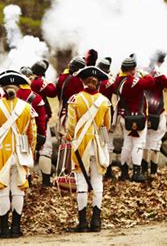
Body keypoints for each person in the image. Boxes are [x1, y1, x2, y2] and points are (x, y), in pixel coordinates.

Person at [0, 70, 37, 238]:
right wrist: (30, 152)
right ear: (18, 88)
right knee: (19, 189)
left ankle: (4, 228)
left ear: (4, 88)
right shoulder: (27, 107)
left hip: (1, 152)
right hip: (22, 150)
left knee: (3, 190)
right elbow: (32, 133)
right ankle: (16, 228)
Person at [65, 66, 111, 232]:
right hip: (98, 145)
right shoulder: (105, 101)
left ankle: (83, 223)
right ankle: (96, 222)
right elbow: (107, 126)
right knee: (98, 183)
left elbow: (70, 127)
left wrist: (70, 137)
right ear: (97, 82)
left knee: (82, 184)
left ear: (83, 81)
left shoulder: (74, 100)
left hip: (81, 146)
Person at [112, 54, 154, 182]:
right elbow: (151, 82)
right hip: (136, 117)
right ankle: (136, 172)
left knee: (127, 144)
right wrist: (143, 73)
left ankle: (124, 172)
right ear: (131, 69)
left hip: (124, 116)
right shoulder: (132, 81)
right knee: (138, 144)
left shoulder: (118, 80)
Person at [142, 51, 167, 177]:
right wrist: (162, 76)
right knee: (155, 143)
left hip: (143, 112)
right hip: (157, 113)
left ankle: (144, 170)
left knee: (145, 142)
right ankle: (153, 173)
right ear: (160, 62)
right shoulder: (159, 75)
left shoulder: (143, 70)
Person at [19, 66, 47, 185]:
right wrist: (42, 136)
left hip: (10, 135)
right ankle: (25, 184)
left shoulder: (8, 96)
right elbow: (41, 121)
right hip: (27, 136)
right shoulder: (37, 98)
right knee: (26, 161)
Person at [30, 60, 57, 186]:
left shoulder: (26, 83)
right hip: (40, 118)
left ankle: (27, 180)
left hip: (26, 119)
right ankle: (46, 180)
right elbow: (53, 91)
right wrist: (46, 81)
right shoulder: (38, 82)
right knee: (46, 149)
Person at [56, 56, 86, 139]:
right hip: (79, 113)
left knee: (65, 140)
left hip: (64, 112)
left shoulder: (61, 78)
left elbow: (59, 96)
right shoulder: (82, 81)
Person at [97, 57, 116, 179]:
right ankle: (107, 170)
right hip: (106, 115)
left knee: (99, 142)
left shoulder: (92, 81)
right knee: (107, 143)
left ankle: (102, 169)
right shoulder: (109, 81)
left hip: (95, 115)